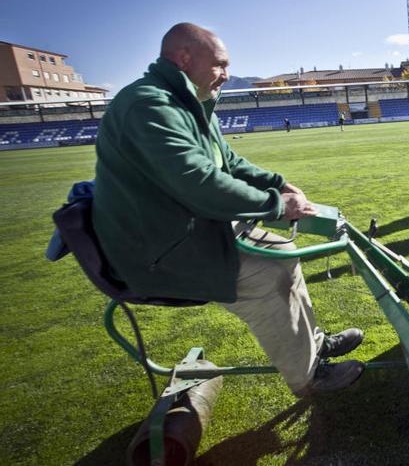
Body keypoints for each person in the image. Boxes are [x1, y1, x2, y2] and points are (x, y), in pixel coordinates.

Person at [91, 23, 365, 396]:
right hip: (157, 251)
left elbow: (229, 162)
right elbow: (199, 182)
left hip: (186, 232)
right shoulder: (149, 105)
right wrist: (275, 205)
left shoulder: (191, 103)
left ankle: (313, 344)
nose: (226, 74)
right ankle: (307, 378)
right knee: (264, 279)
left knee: (284, 252)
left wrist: (277, 183)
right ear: (184, 58)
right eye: (220, 64)